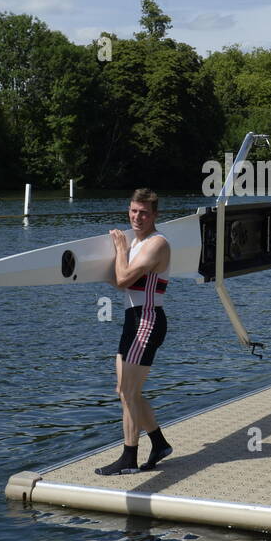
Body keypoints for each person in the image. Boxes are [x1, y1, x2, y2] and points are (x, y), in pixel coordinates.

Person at [95, 189, 173, 476]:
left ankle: (128, 459)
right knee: (125, 391)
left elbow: (122, 279)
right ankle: (159, 443)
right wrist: (123, 252)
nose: (137, 217)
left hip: (147, 320)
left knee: (129, 391)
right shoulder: (136, 242)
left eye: (144, 213)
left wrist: (120, 251)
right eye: (133, 211)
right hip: (132, 320)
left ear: (155, 216)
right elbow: (120, 280)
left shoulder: (156, 244)